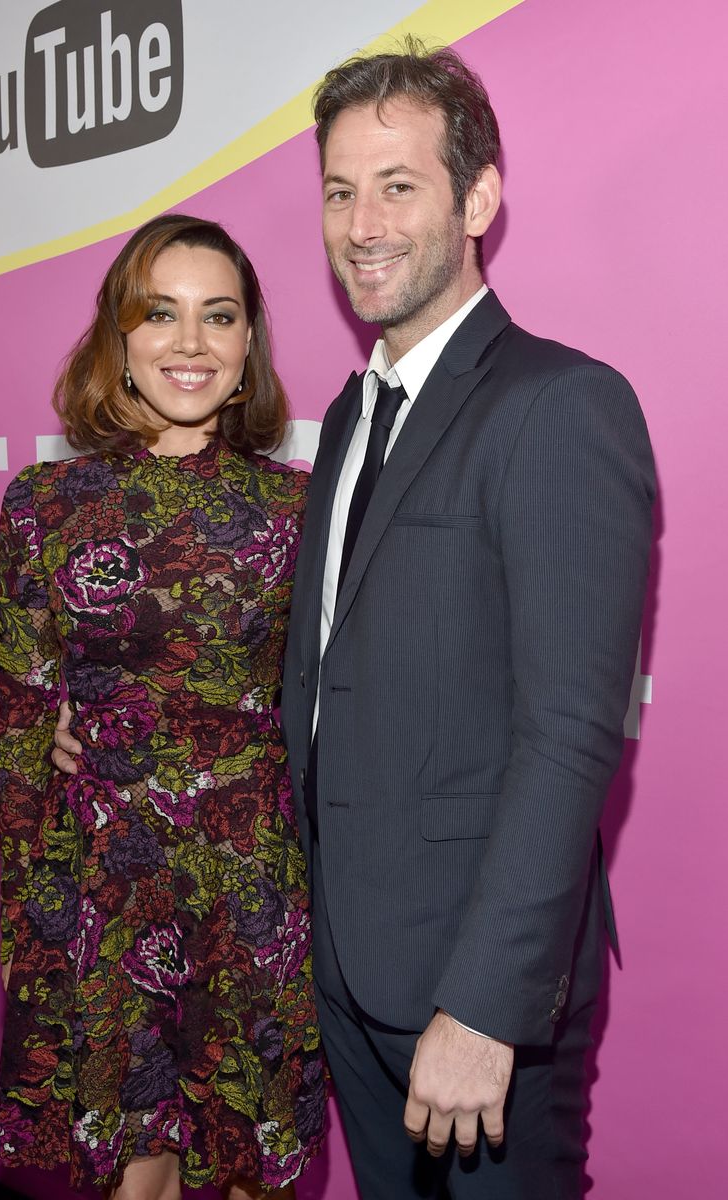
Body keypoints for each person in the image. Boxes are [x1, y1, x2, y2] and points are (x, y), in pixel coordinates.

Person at [276, 42, 655, 1199]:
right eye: (340, 191)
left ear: (477, 198)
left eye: (398, 186)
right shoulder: (348, 416)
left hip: (472, 994)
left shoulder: (558, 405)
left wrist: (485, 1003)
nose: (361, 223)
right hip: (348, 968)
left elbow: (568, 733)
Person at [0, 214, 325, 1200]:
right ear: (119, 339)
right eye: (160, 314)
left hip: (257, 881)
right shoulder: (43, 503)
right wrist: (29, 939)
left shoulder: (299, 509)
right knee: (138, 1182)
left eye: (217, 316)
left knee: (253, 1176)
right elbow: (18, 745)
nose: (190, 344)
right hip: (105, 890)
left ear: (247, 342)